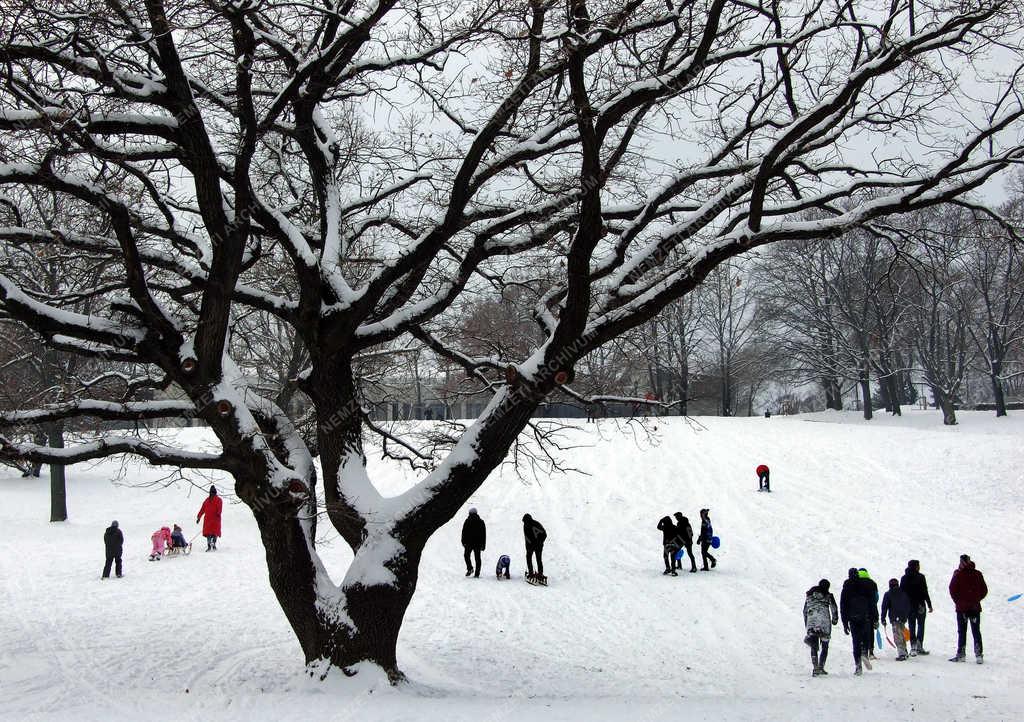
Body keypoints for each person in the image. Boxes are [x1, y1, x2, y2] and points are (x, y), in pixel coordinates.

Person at [948, 554, 988, 664]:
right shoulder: (977, 574)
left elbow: (952, 589)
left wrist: (958, 601)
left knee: (962, 631)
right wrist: (976, 599)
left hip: (962, 608)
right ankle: (979, 655)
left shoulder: (958, 574)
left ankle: (961, 654)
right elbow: (984, 590)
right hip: (975, 607)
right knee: (976, 631)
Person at [840, 567, 879, 675]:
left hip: (853, 617)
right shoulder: (865, 585)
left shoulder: (846, 587)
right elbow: (872, 603)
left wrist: (844, 622)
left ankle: (858, 666)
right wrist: (875, 617)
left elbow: (843, 605)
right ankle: (865, 653)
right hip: (865, 616)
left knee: (855, 641)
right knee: (865, 637)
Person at [803, 579, 839, 676]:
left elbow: (805, 611)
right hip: (824, 623)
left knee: (813, 645)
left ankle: (815, 668)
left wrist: (807, 623)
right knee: (825, 645)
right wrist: (835, 620)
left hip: (812, 622)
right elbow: (834, 608)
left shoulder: (809, 596)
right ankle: (821, 666)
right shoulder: (828, 596)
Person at [900, 559, 933, 656]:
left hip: (909, 606)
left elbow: (902, 593)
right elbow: (925, 591)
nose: (919, 567)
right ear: (915, 566)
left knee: (912, 625)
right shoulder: (920, 577)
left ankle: (913, 646)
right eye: (918, 565)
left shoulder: (904, 578)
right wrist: (929, 604)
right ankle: (919, 645)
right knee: (921, 625)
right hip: (920, 605)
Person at [880, 578, 912, 660]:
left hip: (895, 617)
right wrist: (906, 615)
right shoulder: (904, 593)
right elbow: (908, 604)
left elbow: (884, 607)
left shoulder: (888, 594)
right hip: (902, 617)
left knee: (897, 636)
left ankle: (902, 654)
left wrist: (883, 618)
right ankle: (904, 651)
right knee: (901, 634)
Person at [858, 568, 879, 658]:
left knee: (860, 631)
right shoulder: (872, 583)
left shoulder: (856, 583)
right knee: (870, 631)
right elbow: (876, 597)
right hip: (870, 610)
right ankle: (871, 651)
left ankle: (862, 650)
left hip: (858, 611)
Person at [461, 508, 486, 578]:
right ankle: (477, 573)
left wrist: (463, 541)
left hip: (468, 543)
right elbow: (484, 534)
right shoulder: (481, 522)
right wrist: (483, 545)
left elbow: (464, 532)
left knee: (466, 555)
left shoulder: (467, 521)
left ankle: (470, 568)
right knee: (477, 558)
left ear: (470, 513)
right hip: (478, 543)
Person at [196, 485, 223, 551]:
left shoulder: (218, 500)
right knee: (209, 533)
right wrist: (199, 517)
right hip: (209, 519)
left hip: (215, 519)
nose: (212, 494)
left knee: (214, 532)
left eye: (213, 493)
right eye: (211, 493)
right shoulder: (207, 500)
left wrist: (218, 514)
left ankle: (213, 544)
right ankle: (209, 545)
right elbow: (202, 509)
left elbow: (219, 508)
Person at [522, 513, 547, 581]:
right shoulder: (536, 523)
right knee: (538, 559)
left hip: (533, 546)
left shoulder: (526, 525)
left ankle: (532, 574)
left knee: (530, 558)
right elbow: (544, 534)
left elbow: (527, 538)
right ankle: (539, 574)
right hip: (536, 546)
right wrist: (540, 542)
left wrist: (539, 542)